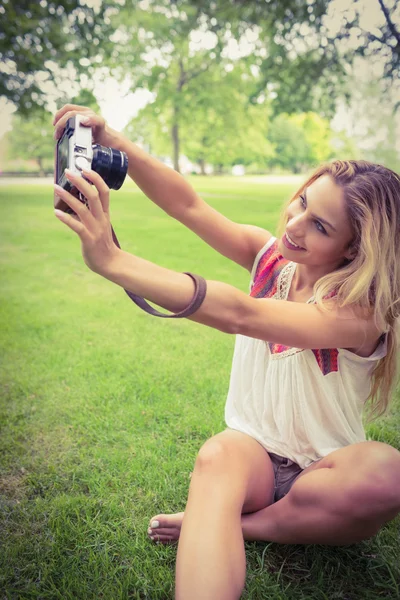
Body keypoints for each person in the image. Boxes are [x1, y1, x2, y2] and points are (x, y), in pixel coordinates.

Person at [53, 104, 400, 600]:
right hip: (254, 457)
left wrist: (115, 262)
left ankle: (243, 524)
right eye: (302, 203)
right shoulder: (270, 259)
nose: (295, 224)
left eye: (320, 226)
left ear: (353, 248)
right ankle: (231, 517)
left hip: (326, 472)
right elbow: (189, 205)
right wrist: (116, 140)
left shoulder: (361, 313)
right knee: (218, 454)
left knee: (388, 474)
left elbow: (243, 314)